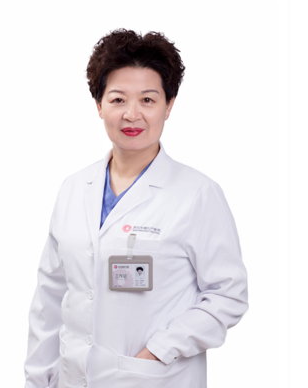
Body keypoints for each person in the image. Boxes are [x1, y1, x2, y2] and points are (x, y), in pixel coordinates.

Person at [24, 28, 248, 388]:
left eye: (147, 100)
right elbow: (50, 295)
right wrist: (38, 379)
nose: (132, 114)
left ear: (168, 106)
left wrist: (159, 350)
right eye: (117, 99)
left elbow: (228, 295)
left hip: (153, 378)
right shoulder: (73, 188)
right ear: (99, 105)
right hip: (72, 378)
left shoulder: (197, 194)